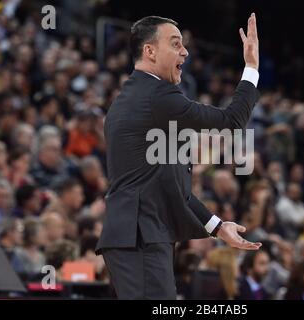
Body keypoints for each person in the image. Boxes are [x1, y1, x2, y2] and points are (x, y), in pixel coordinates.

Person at [96, 13, 262, 299]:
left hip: (138, 234)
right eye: (175, 44)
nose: (184, 51)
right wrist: (251, 68)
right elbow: (231, 121)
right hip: (140, 234)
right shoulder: (157, 96)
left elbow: (173, 186)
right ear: (149, 51)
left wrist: (219, 228)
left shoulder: (135, 99)